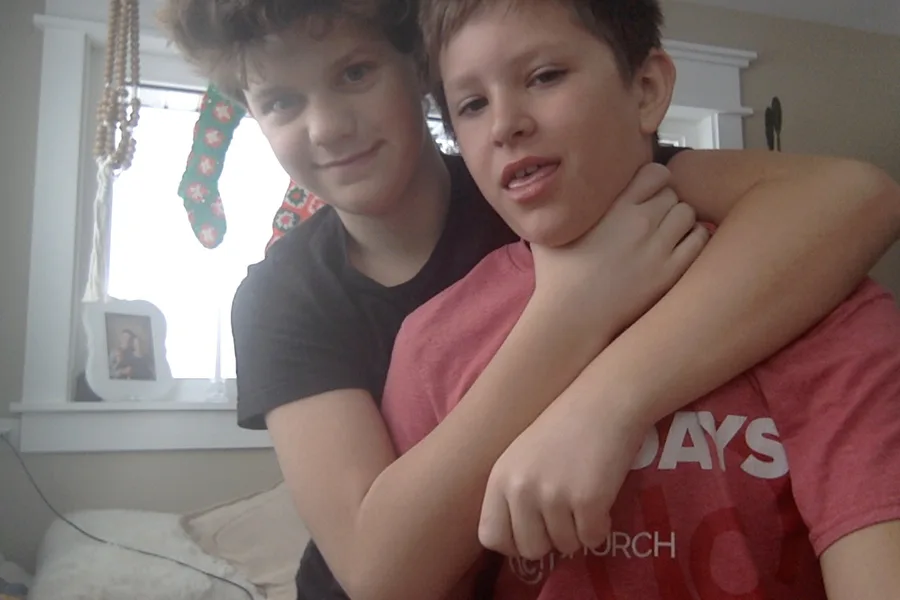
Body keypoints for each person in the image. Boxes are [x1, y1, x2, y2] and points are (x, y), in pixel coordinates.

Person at [156, 1, 900, 598]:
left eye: (355, 73)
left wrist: (606, 401)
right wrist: (573, 309)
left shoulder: (536, 180)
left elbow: (849, 198)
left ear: (416, 74)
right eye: (280, 101)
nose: (326, 127)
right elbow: (377, 571)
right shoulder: (283, 297)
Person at [380, 0, 900, 597]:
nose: (504, 124)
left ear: (647, 89)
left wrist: (606, 408)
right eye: (471, 104)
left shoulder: (814, 293)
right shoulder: (431, 344)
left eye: (544, 76)